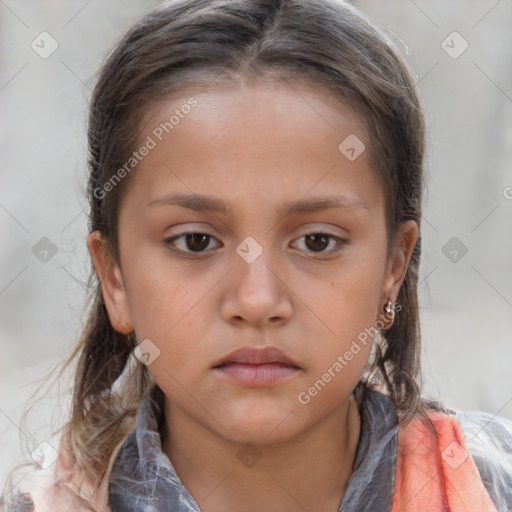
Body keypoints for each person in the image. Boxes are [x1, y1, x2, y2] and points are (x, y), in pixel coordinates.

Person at [2, 0, 512, 510]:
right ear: (115, 278)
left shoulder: (491, 487)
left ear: (393, 269)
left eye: (318, 241)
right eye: (195, 241)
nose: (257, 300)